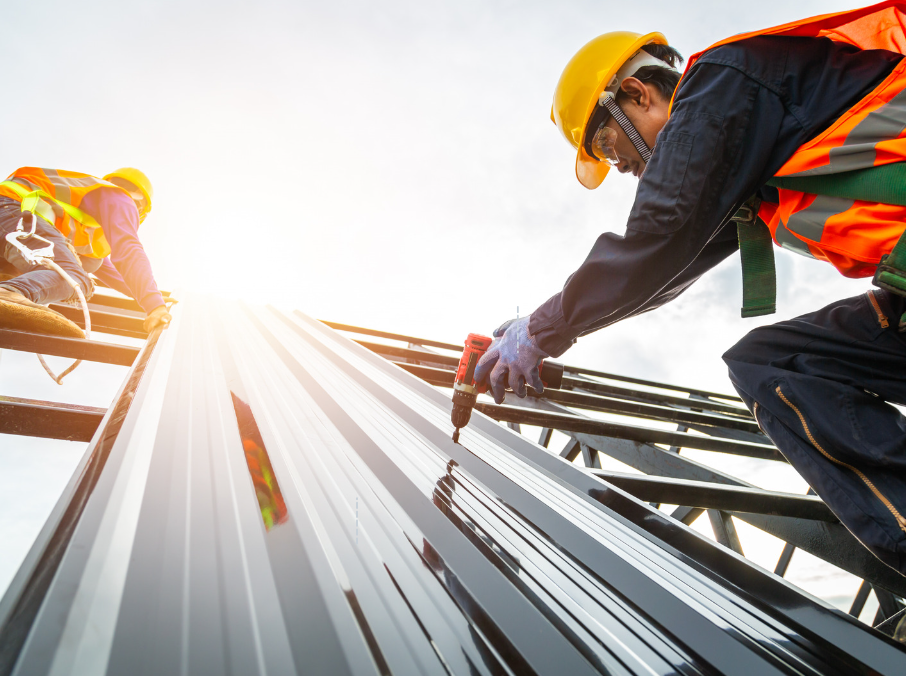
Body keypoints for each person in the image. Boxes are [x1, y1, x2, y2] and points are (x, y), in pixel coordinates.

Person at [475, 2, 906, 576]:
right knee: (775, 364)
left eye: (609, 147)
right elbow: (665, 272)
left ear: (637, 92)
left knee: (774, 361)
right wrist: (549, 329)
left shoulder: (722, 83)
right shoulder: (746, 156)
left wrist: (545, 328)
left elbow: (659, 234)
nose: (623, 168)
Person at [0, 167, 171, 337]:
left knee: (87, 263)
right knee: (75, 279)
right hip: (12, 210)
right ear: (140, 208)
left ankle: (7, 287)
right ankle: (8, 295)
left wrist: (155, 297)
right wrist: (154, 306)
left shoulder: (86, 218)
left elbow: (115, 275)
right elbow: (128, 250)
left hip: (10, 220)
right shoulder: (120, 198)